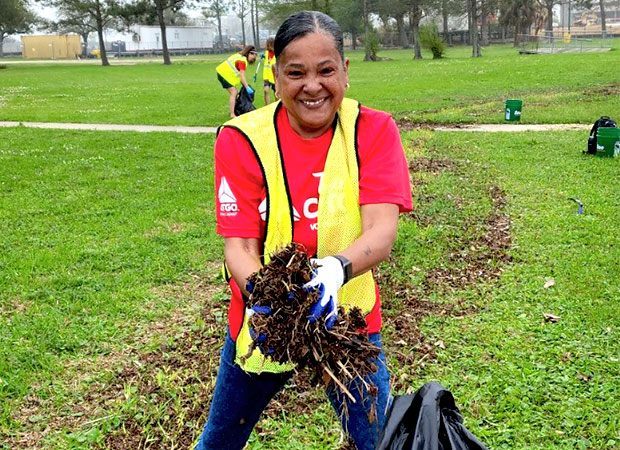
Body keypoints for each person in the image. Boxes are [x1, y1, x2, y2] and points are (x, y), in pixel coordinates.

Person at [196, 10, 412, 450]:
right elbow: (238, 245)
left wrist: (334, 271)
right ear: (276, 75)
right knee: (219, 443)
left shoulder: (372, 130)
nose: (312, 86)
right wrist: (266, 297)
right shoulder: (242, 139)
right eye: (296, 73)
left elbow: (381, 230)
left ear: (345, 72)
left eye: (326, 70)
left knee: (375, 441)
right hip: (265, 321)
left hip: (347, 320)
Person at [215, 45, 257, 119]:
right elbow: (242, 75)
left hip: (221, 73)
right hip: (224, 75)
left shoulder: (238, 56)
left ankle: (232, 111)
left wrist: (244, 85)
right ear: (249, 53)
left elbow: (239, 74)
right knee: (234, 92)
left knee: (235, 92)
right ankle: (232, 114)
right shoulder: (242, 61)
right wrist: (247, 87)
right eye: (253, 57)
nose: (253, 59)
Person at [262, 37, 276, 105]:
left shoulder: (277, 54)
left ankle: (277, 106)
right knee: (266, 90)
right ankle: (267, 107)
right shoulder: (266, 53)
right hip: (266, 76)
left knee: (276, 93)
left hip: (274, 77)